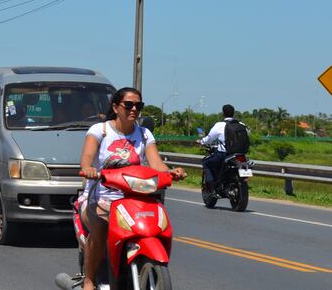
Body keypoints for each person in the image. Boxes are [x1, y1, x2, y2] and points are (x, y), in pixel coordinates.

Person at [79, 87, 186, 290]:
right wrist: (89, 169)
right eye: (129, 104)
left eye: (139, 105)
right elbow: (86, 157)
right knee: (101, 230)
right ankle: (90, 279)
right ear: (116, 107)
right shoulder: (100, 130)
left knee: (153, 227)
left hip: (135, 197)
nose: (134, 109)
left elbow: (156, 164)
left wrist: (171, 172)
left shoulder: (144, 134)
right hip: (101, 196)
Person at [200, 104, 239, 191]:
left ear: (223, 114)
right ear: (233, 113)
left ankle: (211, 188)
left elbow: (209, 138)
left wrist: (201, 141)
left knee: (206, 163)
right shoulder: (241, 124)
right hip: (239, 154)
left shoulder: (220, 125)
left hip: (224, 154)